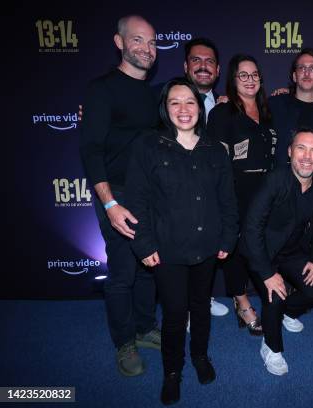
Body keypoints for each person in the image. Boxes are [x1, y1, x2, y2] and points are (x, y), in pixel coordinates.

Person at [126, 78, 239, 404]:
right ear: (165, 108)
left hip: (207, 247)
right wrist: (143, 245)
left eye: (189, 101)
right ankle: (172, 371)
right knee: (175, 314)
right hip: (167, 250)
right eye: (175, 102)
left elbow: (228, 201)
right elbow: (138, 201)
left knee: (201, 307)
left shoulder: (215, 149)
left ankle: (201, 356)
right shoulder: (148, 146)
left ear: (199, 107)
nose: (183, 109)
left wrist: (228, 237)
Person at [79, 15, 160, 377]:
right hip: (118, 193)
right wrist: (109, 203)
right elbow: (91, 150)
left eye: (153, 42)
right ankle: (124, 341)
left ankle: (144, 328)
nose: (147, 48)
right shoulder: (102, 89)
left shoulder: (154, 94)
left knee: (147, 267)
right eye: (138, 40)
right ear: (120, 42)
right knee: (123, 272)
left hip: (150, 193)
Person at [241, 129, 313, 376]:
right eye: (301, 148)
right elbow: (252, 227)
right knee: (275, 295)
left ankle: (285, 313)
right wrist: (268, 273)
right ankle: (271, 346)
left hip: (292, 253)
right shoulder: (275, 180)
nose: (307, 156)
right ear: (290, 152)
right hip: (262, 252)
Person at [206, 54, 276, 335]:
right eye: (243, 75)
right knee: (235, 251)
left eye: (254, 74)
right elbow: (216, 160)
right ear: (233, 80)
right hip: (235, 191)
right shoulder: (222, 113)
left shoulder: (268, 111)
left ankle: (265, 296)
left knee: (259, 246)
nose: (250, 80)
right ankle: (242, 302)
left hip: (266, 191)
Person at [182, 37, 229, 318]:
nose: (203, 66)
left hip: (213, 192)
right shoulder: (167, 99)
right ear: (185, 66)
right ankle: (186, 307)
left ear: (218, 69)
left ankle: (203, 297)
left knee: (207, 247)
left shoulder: (224, 104)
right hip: (181, 193)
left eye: (209, 61)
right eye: (196, 60)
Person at [269, 48, 313, 166]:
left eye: (312, 68)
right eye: (302, 68)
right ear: (294, 76)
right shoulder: (275, 104)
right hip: (279, 180)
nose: (307, 72)